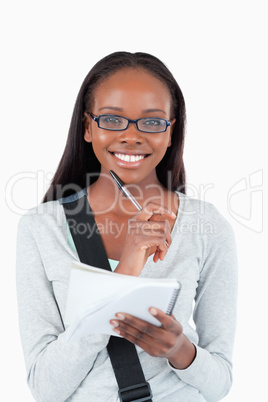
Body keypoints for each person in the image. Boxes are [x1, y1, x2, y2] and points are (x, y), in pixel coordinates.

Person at [16, 51, 238, 402]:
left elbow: (220, 383)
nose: (132, 136)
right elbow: (45, 388)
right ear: (88, 128)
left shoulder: (207, 225)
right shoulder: (41, 228)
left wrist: (181, 350)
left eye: (151, 122)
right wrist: (128, 267)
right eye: (112, 120)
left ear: (170, 131)